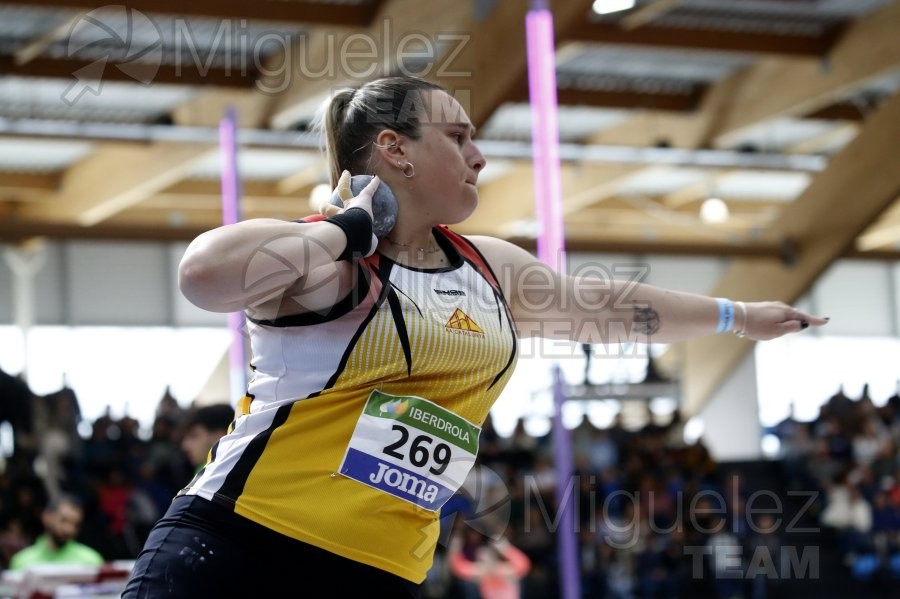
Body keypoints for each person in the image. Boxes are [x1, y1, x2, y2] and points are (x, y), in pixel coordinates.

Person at [122, 75, 827, 598]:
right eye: (458, 137)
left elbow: (602, 306)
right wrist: (345, 231)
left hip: (381, 572)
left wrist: (737, 316)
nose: (480, 156)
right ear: (394, 149)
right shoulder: (333, 260)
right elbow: (204, 273)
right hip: (241, 549)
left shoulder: (487, 266)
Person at [9, 493, 104, 570]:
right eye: (64, 520)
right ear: (46, 517)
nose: (69, 529)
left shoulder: (91, 561)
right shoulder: (21, 562)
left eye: (76, 524)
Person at [179, 402, 236, 473]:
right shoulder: (202, 471)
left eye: (194, 436)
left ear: (220, 437)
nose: (184, 446)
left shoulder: (224, 476)